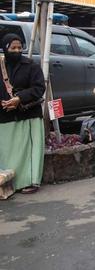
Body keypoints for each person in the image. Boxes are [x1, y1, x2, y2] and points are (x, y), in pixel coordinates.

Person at [0, 33, 45, 194]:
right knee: (8, 152)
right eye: (13, 48)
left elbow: (39, 88)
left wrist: (19, 99)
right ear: (5, 48)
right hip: (5, 116)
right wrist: (4, 103)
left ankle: (31, 181)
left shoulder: (31, 66)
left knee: (29, 152)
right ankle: (9, 183)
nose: (17, 51)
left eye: (20, 47)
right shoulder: (1, 66)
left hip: (28, 115)